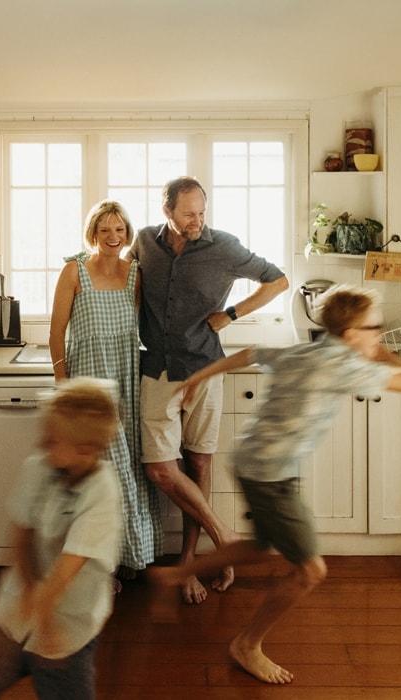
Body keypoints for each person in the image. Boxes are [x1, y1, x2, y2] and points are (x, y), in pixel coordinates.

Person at [151, 284, 401, 684]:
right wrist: (383, 354)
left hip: (252, 461)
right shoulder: (346, 366)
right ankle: (247, 644)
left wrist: (200, 375)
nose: (379, 334)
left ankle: (175, 574)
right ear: (351, 336)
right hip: (271, 475)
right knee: (311, 571)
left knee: (261, 546)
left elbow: (251, 354)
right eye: (375, 327)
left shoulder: (306, 350)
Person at [127, 176, 289, 604]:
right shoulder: (144, 242)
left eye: (202, 212)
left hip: (205, 366)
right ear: (167, 213)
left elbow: (277, 281)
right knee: (161, 469)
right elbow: (125, 281)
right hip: (157, 368)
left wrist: (231, 313)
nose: (198, 221)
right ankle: (224, 537)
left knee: (198, 465)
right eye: (188, 214)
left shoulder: (225, 246)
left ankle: (189, 565)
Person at [0, 377, 123, 700]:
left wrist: (46, 623)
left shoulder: (103, 494)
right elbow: (22, 537)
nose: (41, 444)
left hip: (68, 632)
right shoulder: (38, 468)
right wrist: (30, 600)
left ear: (85, 449)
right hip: (12, 616)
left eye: (52, 439)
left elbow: (67, 569)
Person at [49, 199, 162, 583]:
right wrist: (62, 383)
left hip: (126, 382)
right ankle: (100, 567)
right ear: (93, 234)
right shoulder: (73, 271)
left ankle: (129, 556)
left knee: (128, 468)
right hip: (89, 386)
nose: (113, 237)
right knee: (99, 473)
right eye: (105, 230)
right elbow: (55, 333)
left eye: (119, 230)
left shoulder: (135, 274)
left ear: (127, 234)